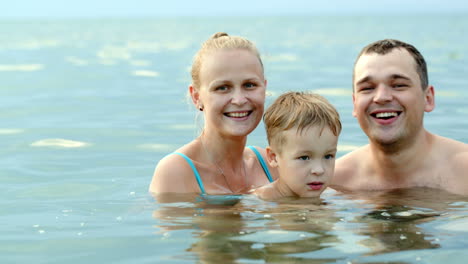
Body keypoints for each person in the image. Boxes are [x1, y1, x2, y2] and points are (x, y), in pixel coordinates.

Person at [332, 39, 468, 195]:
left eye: (399, 85)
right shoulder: (332, 183)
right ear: (355, 104)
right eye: (368, 88)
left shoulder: (465, 173)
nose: (381, 97)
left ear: (428, 98)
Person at [149, 32, 278, 195]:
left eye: (250, 85)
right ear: (196, 97)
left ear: (264, 88)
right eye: (222, 88)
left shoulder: (269, 163)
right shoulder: (176, 171)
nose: (238, 100)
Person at [253, 91, 342, 199]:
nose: (319, 170)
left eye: (328, 156)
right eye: (304, 157)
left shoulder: (332, 197)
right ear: (274, 157)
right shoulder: (260, 200)